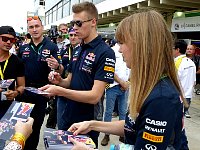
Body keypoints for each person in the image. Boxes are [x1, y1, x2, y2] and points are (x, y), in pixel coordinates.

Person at [67, 9, 185, 150]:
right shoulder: (151, 86)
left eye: (122, 43)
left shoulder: (161, 99)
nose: (120, 50)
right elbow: (132, 125)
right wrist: (91, 124)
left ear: (141, 45)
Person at [39, 1, 115, 146]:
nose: (74, 28)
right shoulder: (78, 49)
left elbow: (95, 96)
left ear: (93, 22)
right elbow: (69, 81)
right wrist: (58, 81)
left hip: (88, 120)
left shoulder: (106, 53)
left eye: (78, 23)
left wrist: (60, 91)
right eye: (73, 23)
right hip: (68, 113)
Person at [18, 16, 62, 150]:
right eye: (31, 27)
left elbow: (58, 70)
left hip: (42, 94)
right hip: (24, 94)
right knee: (21, 126)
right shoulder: (23, 48)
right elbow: (18, 71)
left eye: (37, 26)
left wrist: (57, 67)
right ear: (28, 30)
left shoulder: (52, 47)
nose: (35, 29)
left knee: (36, 127)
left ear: (42, 28)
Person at [45, 27, 81, 128]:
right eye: (71, 35)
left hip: (77, 90)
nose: (73, 37)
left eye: (75, 35)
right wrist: (56, 69)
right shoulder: (65, 50)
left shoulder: (83, 51)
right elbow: (59, 68)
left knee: (75, 124)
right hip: (62, 88)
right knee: (61, 123)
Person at [0, 26, 25, 149]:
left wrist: (16, 93)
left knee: (1, 143)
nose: (9, 42)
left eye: (12, 40)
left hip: (6, 109)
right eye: (5, 39)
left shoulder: (17, 62)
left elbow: (21, 86)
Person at [101, 43, 130, 146]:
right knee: (108, 111)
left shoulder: (131, 48)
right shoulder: (111, 50)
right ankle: (106, 134)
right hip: (112, 86)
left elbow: (132, 68)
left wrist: (127, 83)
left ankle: (123, 133)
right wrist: (121, 82)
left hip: (125, 87)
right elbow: (109, 69)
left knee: (123, 111)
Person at [173, 41, 196, 118]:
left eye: (173, 48)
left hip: (178, 96)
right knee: (181, 120)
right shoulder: (192, 63)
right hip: (188, 96)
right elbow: (194, 82)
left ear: (178, 50)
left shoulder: (176, 62)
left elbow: (173, 80)